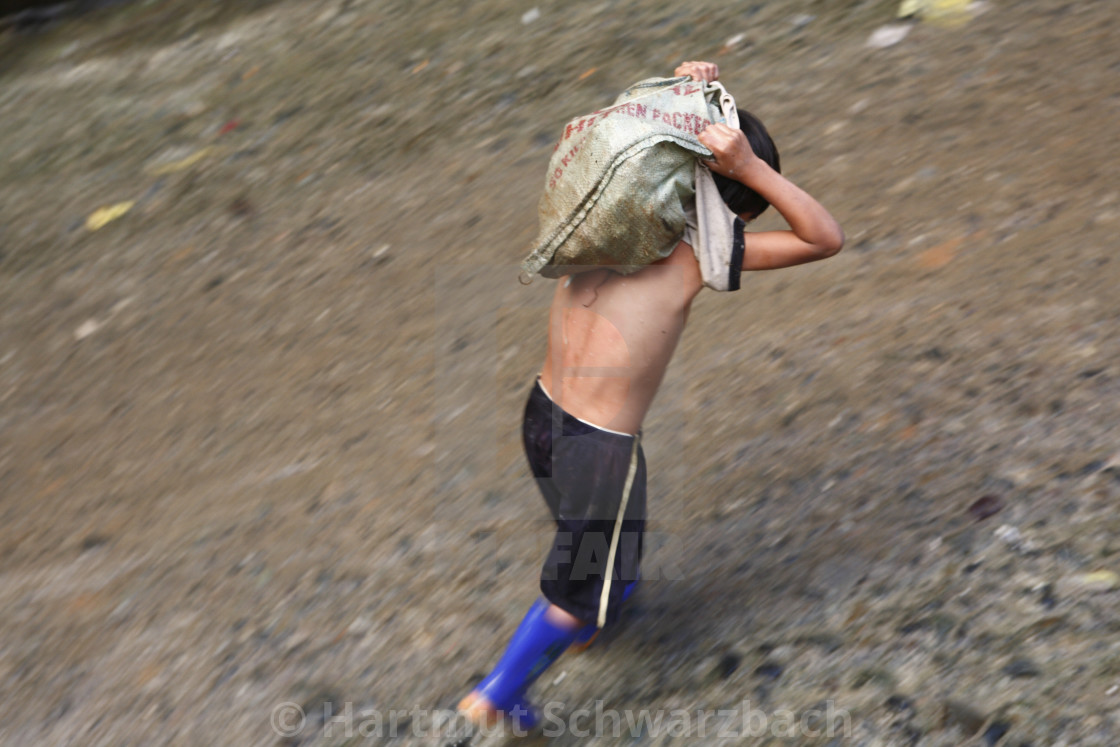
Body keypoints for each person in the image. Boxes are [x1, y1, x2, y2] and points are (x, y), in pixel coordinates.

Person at [453, 59, 844, 740]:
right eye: (742, 208)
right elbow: (824, 237)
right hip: (599, 450)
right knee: (576, 593)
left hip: (541, 416)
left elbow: (624, 132)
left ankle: (595, 608)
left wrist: (687, 88)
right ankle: (497, 692)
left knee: (595, 556)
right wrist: (753, 167)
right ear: (726, 206)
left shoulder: (597, 225)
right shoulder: (694, 253)